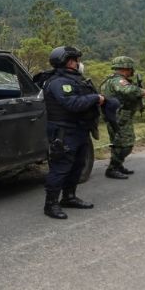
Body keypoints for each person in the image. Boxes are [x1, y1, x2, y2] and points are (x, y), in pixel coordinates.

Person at [39, 46, 105, 219]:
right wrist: (95, 98)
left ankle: (69, 197)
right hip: (63, 131)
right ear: (69, 61)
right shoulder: (59, 82)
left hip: (79, 129)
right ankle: (51, 204)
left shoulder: (75, 79)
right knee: (60, 168)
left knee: (77, 165)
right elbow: (72, 104)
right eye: (76, 60)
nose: (78, 63)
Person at [99, 56, 145, 178]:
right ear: (125, 68)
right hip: (119, 118)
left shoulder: (113, 79)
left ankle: (118, 166)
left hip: (120, 117)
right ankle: (112, 169)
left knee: (119, 143)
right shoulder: (118, 80)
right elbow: (127, 90)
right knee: (125, 144)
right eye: (130, 68)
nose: (132, 71)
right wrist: (141, 91)